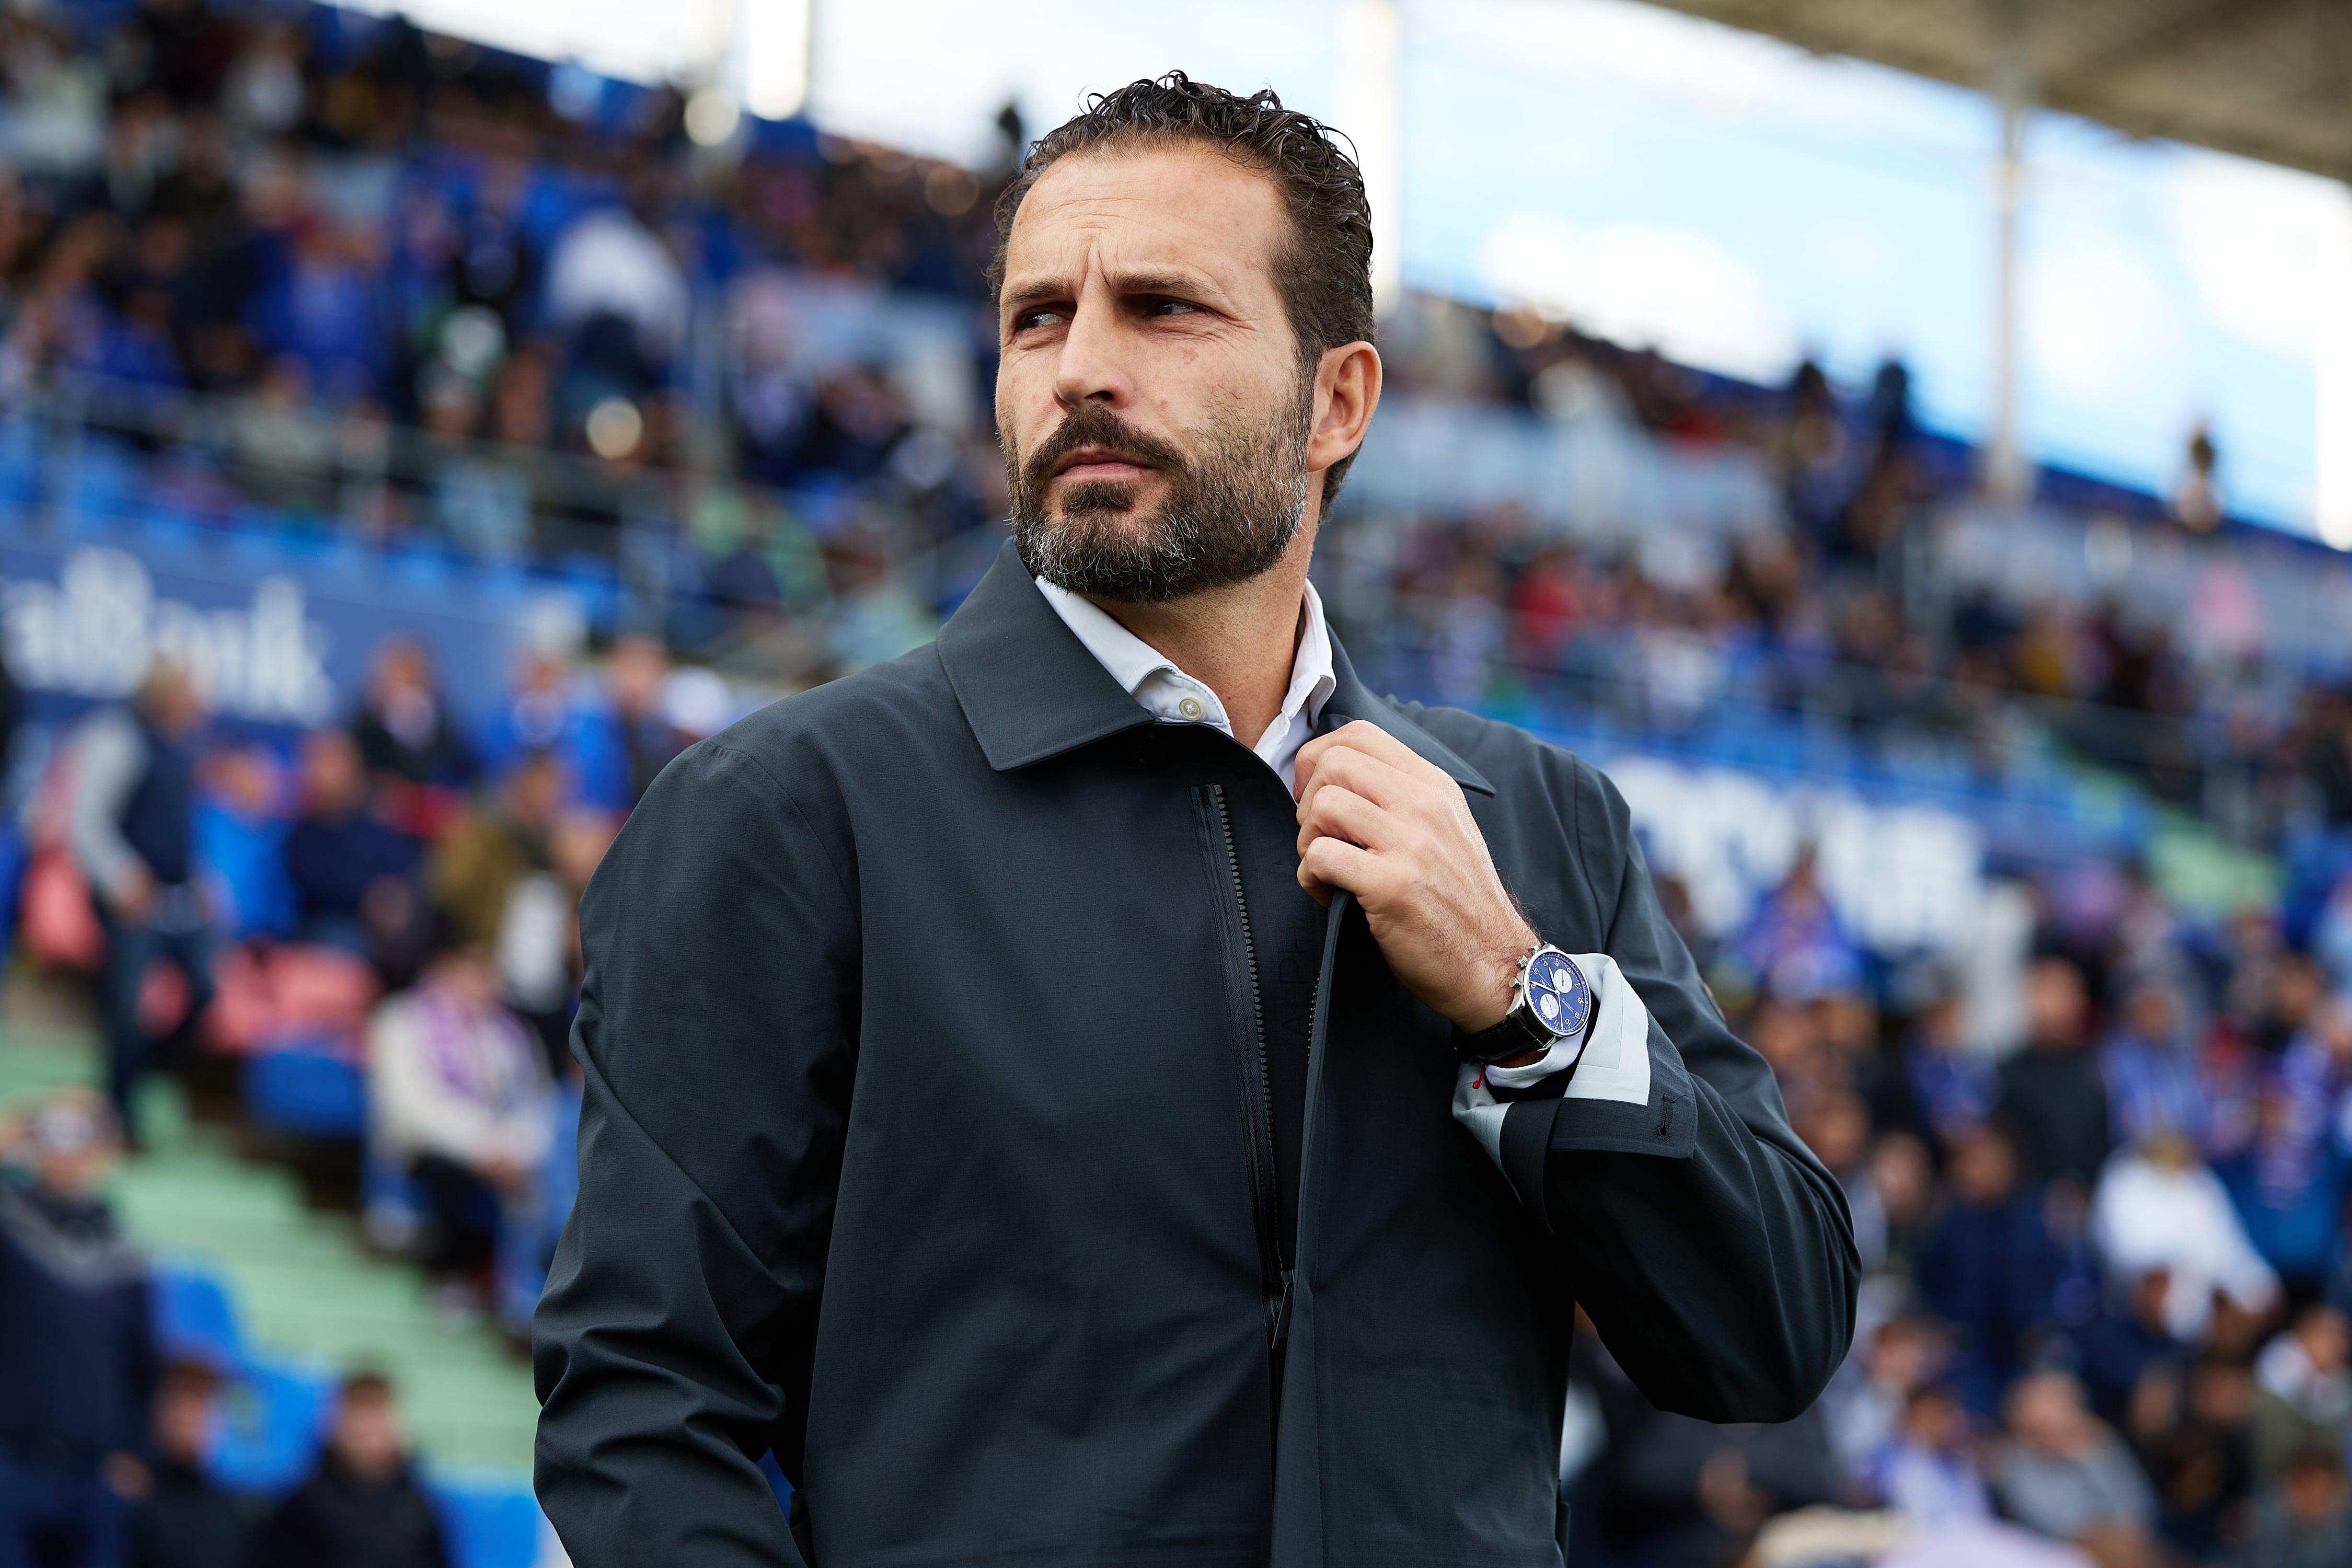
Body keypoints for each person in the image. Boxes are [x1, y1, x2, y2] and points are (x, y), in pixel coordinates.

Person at [534, 74, 1857, 1565]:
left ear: (1335, 400)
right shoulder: (783, 813)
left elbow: (1769, 1332)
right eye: (1037, 316)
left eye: (1161, 308)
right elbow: (643, 1416)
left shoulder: (1537, 827)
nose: (1080, 367)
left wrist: (1522, 1001)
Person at [0, 1092, 154, 1568]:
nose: (66, 1150)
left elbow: (141, 1362)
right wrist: (15, 1130)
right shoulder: (11, 1226)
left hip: (96, 1470)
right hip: (13, 1460)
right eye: (55, 1132)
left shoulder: (124, 1252)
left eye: (81, 1134)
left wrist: (135, 1451)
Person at [367, 933, 554, 1315]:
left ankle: (520, 1294)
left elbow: (538, 1102)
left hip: (504, 1158)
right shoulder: (401, 1020)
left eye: (487, 972)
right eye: (469, 970)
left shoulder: (511, 1035)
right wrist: (483, 1145)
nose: (481, 982)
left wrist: (515, 1146)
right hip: (427, 1155)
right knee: (458, 1182)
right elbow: (411, 1109)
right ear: (443, 970)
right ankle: (452, 1275)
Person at [67, 661, 214, 1142]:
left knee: (205, 988)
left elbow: (178, 833)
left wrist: (201, 881)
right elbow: (86, 823)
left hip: (177, 898)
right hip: (129, 897)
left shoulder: (184, 747)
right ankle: (118, 1116)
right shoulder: (117, 738)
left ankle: (145, 1072)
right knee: (130, 1010)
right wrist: (121, 879)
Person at [251, 1374, 447, 1568]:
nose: (372, 1431)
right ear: (337, 1425)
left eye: (378, 1416)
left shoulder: (419, 1505)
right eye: (362, 1416)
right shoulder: (305, 1506)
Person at [281, 728, 421, 969]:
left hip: (387, 928)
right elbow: (313, 882)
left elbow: (401, 869)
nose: (329, 771)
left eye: (338, 761)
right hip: (327, 927)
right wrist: (368, 898)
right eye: (320, 761)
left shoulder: (375, 825)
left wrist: (393, 900)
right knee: (340, 940)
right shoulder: (300, 832)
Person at [1990, 1371, 2159, 1547]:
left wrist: (2091, 1456)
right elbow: (2059, 1529)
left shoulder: (2098, 1440)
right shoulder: (2014, 1465)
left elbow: (2143, 1509)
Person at [130, 1361, 258, 1568]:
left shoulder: (232, 1513)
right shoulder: (131, 1505)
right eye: (179, 1406)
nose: (189, 1420)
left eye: (200, 1408)